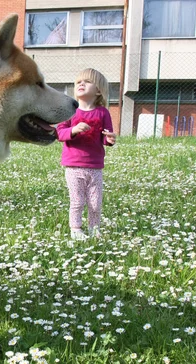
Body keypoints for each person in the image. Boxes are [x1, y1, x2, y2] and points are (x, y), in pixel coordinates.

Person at [56, 68, 117, 240]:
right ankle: (75, 229)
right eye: (78, 82)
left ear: (98, 90)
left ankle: (94, 228)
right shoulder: (70, 110)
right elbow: (59, 133)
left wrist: (110, 140)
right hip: (73, 167)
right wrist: (73, 130)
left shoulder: (103, 112)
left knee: (95, 202)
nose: (81, 84)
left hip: (95, 167)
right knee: (77, 201)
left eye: (87, 81)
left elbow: (106, 136)